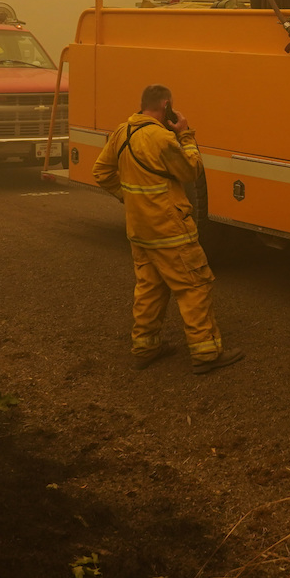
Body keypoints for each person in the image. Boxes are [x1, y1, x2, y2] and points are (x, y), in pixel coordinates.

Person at [91, 84, 243, 375]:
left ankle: (145, 348)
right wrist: (185, 134)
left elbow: (101, 172)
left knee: (150, 287)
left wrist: (129, 197)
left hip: (139, 229)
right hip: (170, 229)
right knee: (194, 285)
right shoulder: (162, 138)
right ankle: (207, 353)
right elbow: (190, 171)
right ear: (166, 106)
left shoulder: (122, 132)